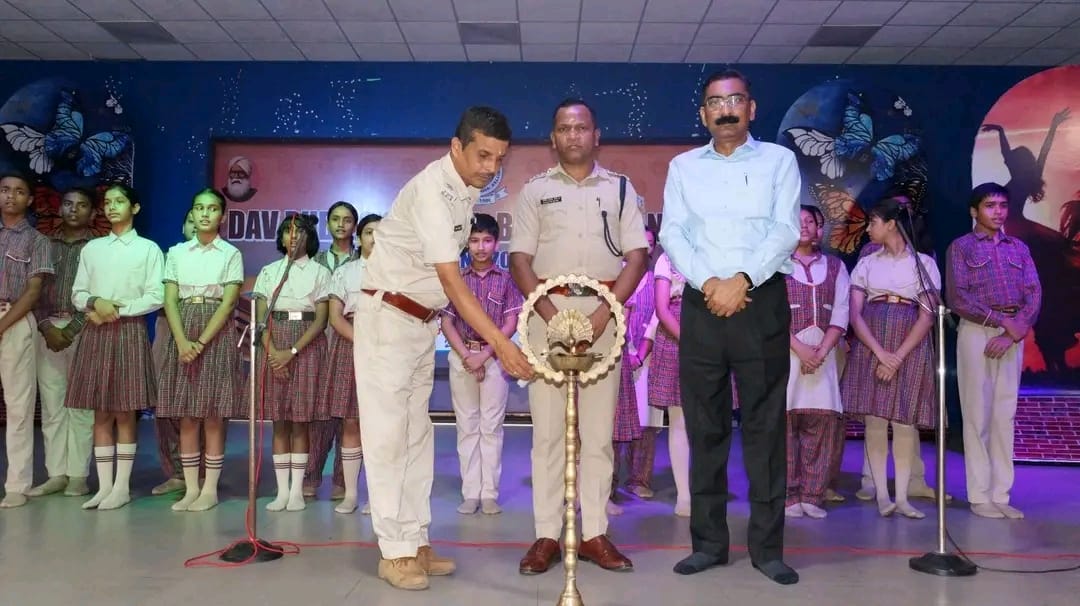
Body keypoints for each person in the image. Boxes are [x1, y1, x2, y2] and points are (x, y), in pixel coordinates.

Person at [354, 106, 532, 591]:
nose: (491, 167)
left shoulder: (465, 191)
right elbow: (453, 282)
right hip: (388, 320)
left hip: (419, 324)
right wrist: (501, 342)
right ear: (457, 146)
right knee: (389, 438)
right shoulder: (432, 191)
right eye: (482, 155)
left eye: (499, 158)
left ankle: (416, 541)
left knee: (418, 437)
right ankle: (394, 552)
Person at [659, 70, 800, 584]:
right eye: (716, 103)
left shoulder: (779, 161)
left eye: (735, 100)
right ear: (703, 114)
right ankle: (709, 544)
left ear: (751, 109)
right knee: (705, 427)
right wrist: (709, 283)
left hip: (760, 301)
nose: (726, 110)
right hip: (702, 305)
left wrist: (741, 280)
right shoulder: (682, 167)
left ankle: (768, 549)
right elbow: (672, 232)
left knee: (765, 427)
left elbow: (785, 230)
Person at [510, 98, 648, 576]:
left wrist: (604, 315)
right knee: (548, 435)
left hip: (604, 319)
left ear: (596, 135)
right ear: (553, 138)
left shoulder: (621, 189)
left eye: (582, 127)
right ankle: (547, 534)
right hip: (546, 315)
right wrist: (551, 316)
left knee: (597, 434)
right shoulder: (535, 191)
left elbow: (637, 257)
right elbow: (520, 260)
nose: (574, 135)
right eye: (565, 128)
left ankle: (594, 534)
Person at [946, 183, 1041, 520]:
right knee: (977, 415)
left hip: (1012, 334)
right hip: (977, 332)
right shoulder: (961, 247)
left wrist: (1015, 330)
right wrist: (1003, 323)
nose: (998, 211)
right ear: (975, 211)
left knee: (1005, 414)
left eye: (1002, 205)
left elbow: (1034, 291)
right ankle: (980, 495)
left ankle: (1001, 494)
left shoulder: (1019, 247)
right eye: (990, 205)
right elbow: (958, 298)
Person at [840, 197, 939, 520]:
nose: (868, 228)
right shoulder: (867, 263)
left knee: (905, 421)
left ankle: (903, 496)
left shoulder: (923, 264)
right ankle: (882, 494)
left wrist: (897, 356)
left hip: (909, 343)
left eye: (873, 222)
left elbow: (927, 316)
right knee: (875, 420)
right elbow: (855, 314)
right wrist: (881, 353)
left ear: (892, 224)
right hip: (873, 340)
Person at [67, 183, 163, 511]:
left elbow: (156, 295)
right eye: (107, 202)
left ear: (134, 208)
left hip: (129, 330)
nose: (112, 207)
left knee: (125, 411)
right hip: (96, 330)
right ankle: (104, 486)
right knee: (101, 411)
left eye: (119, 201)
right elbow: (78, 293)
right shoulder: (92, 249)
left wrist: (117, 310)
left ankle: (121, 487)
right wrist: (96, 302)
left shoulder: (148, 249)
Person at [157, 189, 245, 512]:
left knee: (213, 415)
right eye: (199, 208)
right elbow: (170, 300)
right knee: (187, 414)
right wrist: (182, 342)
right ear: (192, 214)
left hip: (216, 333)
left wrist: (202, 342)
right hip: (182, 326)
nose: (205, 214)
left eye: (212, 209)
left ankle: (209, 489)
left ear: (222, 216)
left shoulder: (230, 254)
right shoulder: (177, 252)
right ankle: (191, 488)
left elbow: (229, 303)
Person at [441, 213, 522, 516]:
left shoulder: (507, 279)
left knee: (491, 426)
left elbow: (511, 322)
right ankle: (470, 493)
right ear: (467, 244)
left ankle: (489, 493)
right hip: (461, 357)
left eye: (487, 240)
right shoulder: (456, 279)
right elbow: (446, 321)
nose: (480, 247)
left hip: (495, 359)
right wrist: (467, 355)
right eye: (474, 241)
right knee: (467, 426)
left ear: (496, 243)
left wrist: (485, 354)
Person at [253, 213, 331, 513]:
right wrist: (274, 352)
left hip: (306, 345)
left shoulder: (319, 272)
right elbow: (261, 317)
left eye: (299, 232)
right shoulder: (269, 271)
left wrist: (292, 352)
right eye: (288, 231)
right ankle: (282, 491)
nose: (293, 236)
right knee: (279, 421)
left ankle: (297, 490)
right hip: (274, 342)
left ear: (309, 238)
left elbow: (320, 320)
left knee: (301, 421)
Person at [28, 187, 97, 500]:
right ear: (59, 208)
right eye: (68, 204)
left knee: (81, 406)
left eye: (82, 205)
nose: (74, 210)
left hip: (85, 329)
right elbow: (32, 289)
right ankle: (56, 474)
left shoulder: (98, 248)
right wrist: (46, 326)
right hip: (47, 329)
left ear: (92, 213)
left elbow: (100, 292)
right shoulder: (43, 244)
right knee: (52, 404)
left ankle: (78, 476)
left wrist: (72, 329)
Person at [784, 206, 850, 520]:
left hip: (824, 354)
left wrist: (821, 351)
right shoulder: (777, 265)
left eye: (810, 221)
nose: (805, 226)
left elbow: (841, 311)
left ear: (819, 228)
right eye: (798, 222)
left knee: (821, 424)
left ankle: (812, 495)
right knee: (785, 425)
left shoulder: (835, 267)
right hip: (788, 353)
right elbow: (772, 315)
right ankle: (789, 495)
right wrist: (800, 348)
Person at [0, 172, 55, 509]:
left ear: (30, 200)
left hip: (16, 320)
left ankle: (17, 485)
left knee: (19, 406)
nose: (11, 196)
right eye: (5, 190)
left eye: (19, 191)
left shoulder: (37, 241)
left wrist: (2, 325)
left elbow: (33, 292)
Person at [324, 212, 381, 514]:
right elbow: (335, 317)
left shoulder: (397, 273)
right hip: (350, 344)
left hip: (386, 348)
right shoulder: (346, 272)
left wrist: (378, 343)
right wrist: (362, 341)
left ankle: (377, 497)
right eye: (369, 232)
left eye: (381, 232)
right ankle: (350, 494)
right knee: (350, 420)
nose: (375, 238)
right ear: (359, 238)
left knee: (380, 424)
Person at [306, 200, 361, 500]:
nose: (341, 224)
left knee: (349, 413)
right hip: (318, 342)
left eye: (347, 219)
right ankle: (311, 476)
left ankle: (342, 480)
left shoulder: (363, 260)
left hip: (348, 344)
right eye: (336, 219)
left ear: (355, 226)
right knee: (320, 414)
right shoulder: (314, 260)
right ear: (327, 224)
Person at [151, 212, 196, 496]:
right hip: (167, 330)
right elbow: (156, 296)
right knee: (165, 404)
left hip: (205, 333)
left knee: (203, 407)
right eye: (190, 219)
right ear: (183, 225)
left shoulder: (224, 256)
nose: (196, 224)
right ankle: (176, 473)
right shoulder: (168, 258)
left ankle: (201, 471)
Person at [648, 251, 691, 518]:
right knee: (679, 419)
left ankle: (707, 490)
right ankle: (684, 495)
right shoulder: (668, 259)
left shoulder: (715, 249)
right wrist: (689, 341)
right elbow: (662, 309)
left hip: (712, 331)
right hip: (676, 335)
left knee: (710, 419)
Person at [619, 227, 659, 504]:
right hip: (615, 359)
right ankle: (607, 485)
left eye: (649, 243)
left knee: (646, 422)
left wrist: (640, 355)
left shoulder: (658, 282)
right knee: (612, 421)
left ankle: (639, 480)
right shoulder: (613, 277)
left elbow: (658, 320)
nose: (644, 247)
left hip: (646, 359)